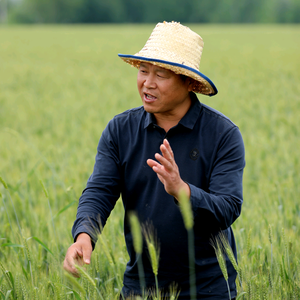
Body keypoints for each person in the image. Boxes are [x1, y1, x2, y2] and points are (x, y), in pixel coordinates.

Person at [63, 21, 245, 300]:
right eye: (143, 71)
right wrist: (84, 235)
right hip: (140, 287)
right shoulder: (120, 130)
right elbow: (100, 190)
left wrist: (182, 190)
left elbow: (228, 208)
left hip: (209, 288)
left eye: (160, 74)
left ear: (188, 83)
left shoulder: (223, 134)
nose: (147, 82)